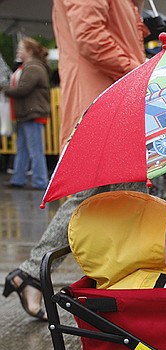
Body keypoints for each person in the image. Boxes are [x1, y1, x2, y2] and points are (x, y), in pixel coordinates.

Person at [3, 0, 148, 320]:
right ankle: (127, 290)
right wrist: (140, 71)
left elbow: (109, 33)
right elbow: (90, 37)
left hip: (115, 99)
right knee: (113, 199)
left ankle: (32, 275)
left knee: (115, 197)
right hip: (104, 102)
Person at [3, 37, 51, 190]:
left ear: (29, 51)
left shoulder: (33, 68)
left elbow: (23, 89)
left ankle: (40, 181)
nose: (18, 51)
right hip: (28, 114)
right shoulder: (29, 67)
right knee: (23, 148)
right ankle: (19, 179)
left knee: (34, 149)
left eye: (20, 48)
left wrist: (4, 89)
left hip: (33, 114)